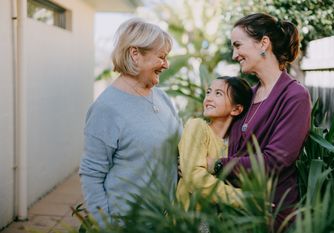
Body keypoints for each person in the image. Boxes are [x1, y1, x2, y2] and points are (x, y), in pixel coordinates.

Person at [207, 13, 311, 228]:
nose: (235, 54)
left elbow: (275, 161)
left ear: (264, 43)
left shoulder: (294, 96)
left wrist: (218, 165)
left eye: (238, 45)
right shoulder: (249, 94)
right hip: (236, 211)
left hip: (269, 214)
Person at [79, 18, 182, 225]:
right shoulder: (106, 108)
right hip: (128, 222)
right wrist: (105, 226)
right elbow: (91, 175)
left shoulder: (161, 98)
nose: (166, 64)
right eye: (161, 57)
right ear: (135, 54)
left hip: (165, 217)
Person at [177, 76, 253, 209]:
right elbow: (194, 178)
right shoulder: (197, 126)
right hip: (191, 220)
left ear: (236, 109)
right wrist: (244, 199)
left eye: (218, 93)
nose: (209, 98)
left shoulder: (235, 145)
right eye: (208, 92)